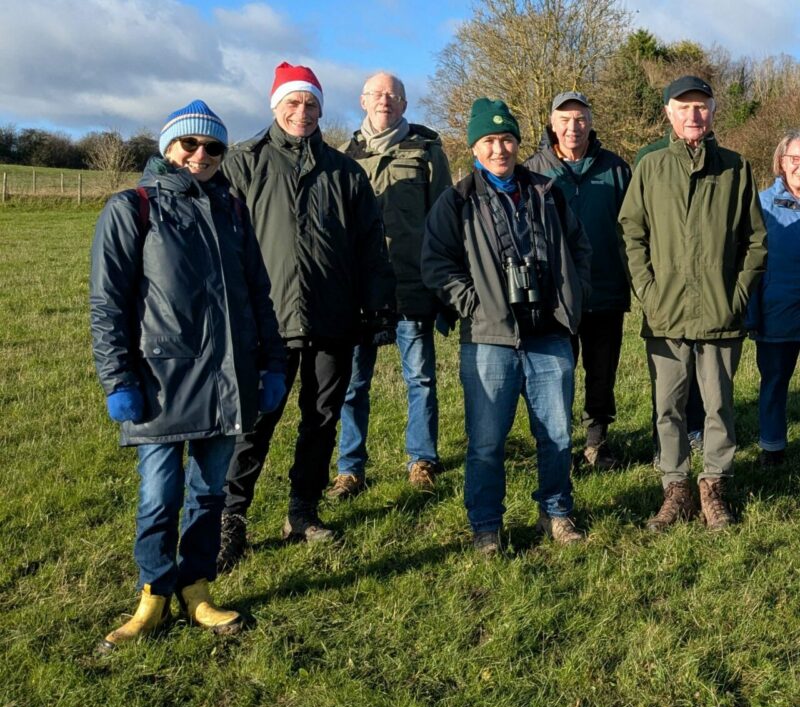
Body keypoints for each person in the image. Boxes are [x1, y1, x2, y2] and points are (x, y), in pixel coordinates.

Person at [89, 100, 287, 650]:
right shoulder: (133, 207)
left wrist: (271, 363)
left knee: (210, 493)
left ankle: (196, 588)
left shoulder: (232, 209)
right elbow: (107, 303)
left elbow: (258, 297)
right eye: (189, 144)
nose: (200, 155)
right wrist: (118, 379)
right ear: (167, 147)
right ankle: (152, 593)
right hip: (161, 381)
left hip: (228, 378)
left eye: (213, 147)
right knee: (160, 493)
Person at [218, 62, 395, 568]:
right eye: (293, 103)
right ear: (277, 107)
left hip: (332, 319)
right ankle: (232, 518)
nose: (303, 112)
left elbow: (369, 247)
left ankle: (303, 510)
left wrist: (379, 306)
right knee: (255, 422)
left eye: (312, 104)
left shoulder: (344, 172)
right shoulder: (244, 164)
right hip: (266, 323)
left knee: (320, 420)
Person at [421, 98, 591, 554]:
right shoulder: (456, 200)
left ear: (519, 142)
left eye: (507, 139)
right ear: (475, 147)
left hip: (549, 334)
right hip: (489, 339)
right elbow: (437, 264)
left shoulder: (546, 191)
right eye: (489, 141)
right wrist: (474, 304)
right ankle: (486, 525)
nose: (500, 149)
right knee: (486, 442)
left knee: (556, 436)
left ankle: (555, 513)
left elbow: (580, 248)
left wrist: (573, 298)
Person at [620, 76, 767, 532]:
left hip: (720, 313)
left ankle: (714, 486)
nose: (693, 116)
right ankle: (676, 487)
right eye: (683, 108)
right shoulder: (650, 168)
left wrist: (738, 296)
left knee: (720, 405)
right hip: (666, 315)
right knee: (669, 406)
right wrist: (647, 291)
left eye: (701, 107)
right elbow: (632, 233)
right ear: (668, 113)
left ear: (713, 111)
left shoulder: (736, 168)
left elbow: (756, 241)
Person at [331, 71, 452, 498]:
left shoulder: (427, 151)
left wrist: (441, 285)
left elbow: (444, 220)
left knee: (419, 379)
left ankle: (422, 460)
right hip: (360, 292)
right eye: (377, 94)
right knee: (352, 383)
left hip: (411, 287)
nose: (385, 100)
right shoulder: (344, 157)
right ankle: (350, 469)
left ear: (404, 104)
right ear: (363, 101)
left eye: (394, 95)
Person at [525, 90, 634, 470]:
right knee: (557, 373)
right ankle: (558, 444)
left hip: (606, 288)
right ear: (552, 124)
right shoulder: (533, 170)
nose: (574, 127)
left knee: (602, 372)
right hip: (555, 295)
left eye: (581, 118)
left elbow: (633, 228)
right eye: (565, 119)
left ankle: (597, 441)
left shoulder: (616, 169)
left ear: (591, 122)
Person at [750, 130, 800, 467]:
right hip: (776, 310)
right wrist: (753, 312)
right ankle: (772, 446)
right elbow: (751, 262)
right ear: (781, 162)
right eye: (795, 159)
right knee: (774, 382)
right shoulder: (760, 205)